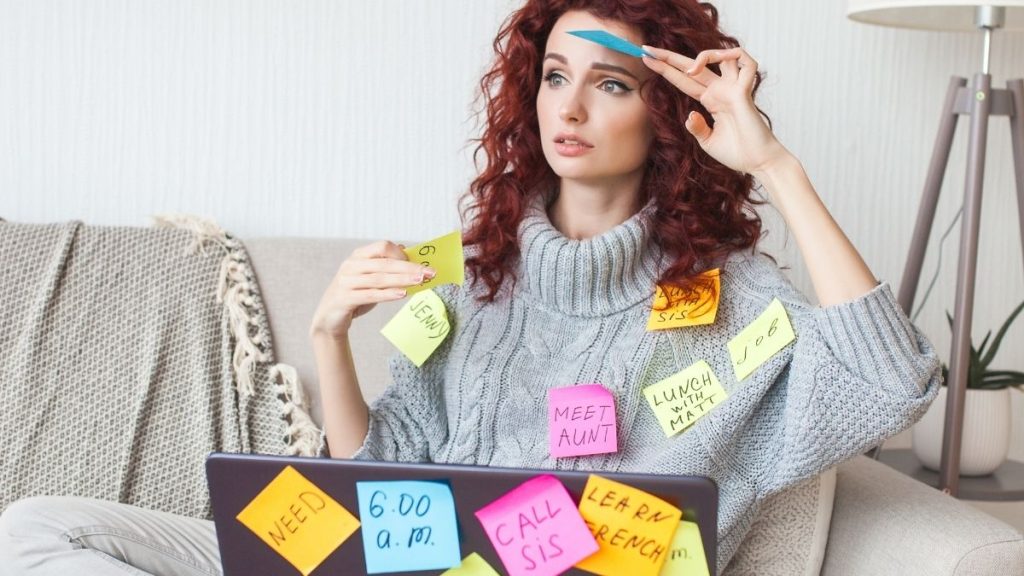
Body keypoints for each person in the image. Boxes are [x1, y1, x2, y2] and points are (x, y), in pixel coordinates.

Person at [0, 1, 941, 574]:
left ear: (666, 116)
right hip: (388, 567)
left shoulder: (737, 298)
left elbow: (890, 381)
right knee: (38, 527)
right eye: (555, 76)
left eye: (610, 86)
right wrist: (330, 337)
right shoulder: (471, 272)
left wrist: (772, 161)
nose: (567, 108)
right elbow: (377, 486)